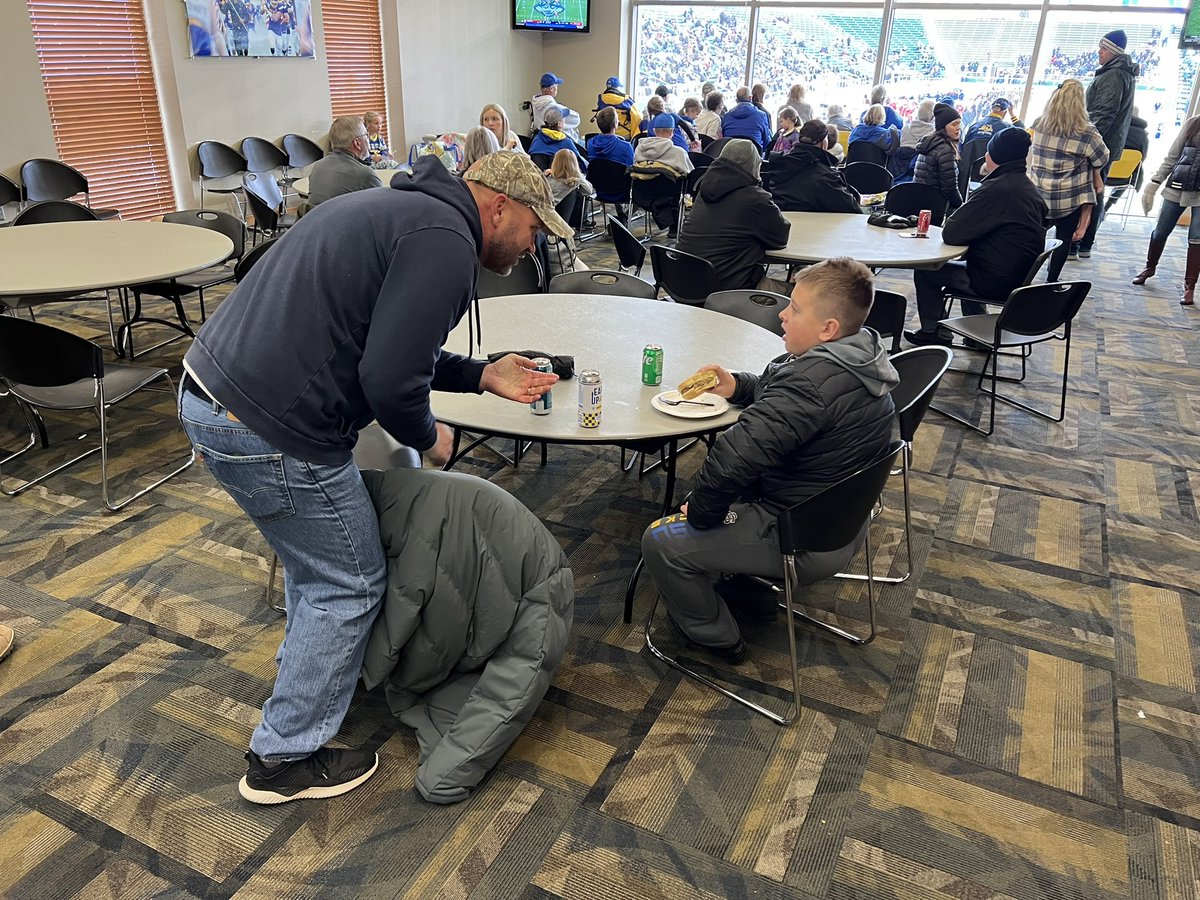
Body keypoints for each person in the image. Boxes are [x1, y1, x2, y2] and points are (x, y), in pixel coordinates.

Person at [179, 150, 570, 804]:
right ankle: (282, 759)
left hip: (217, 391)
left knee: (319, 564)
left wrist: (479, 373)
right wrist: (427, 436)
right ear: (498, 207)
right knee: (351, 580)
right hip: (268, 419)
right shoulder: (445, 242)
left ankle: (310, 685)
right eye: (534, 228)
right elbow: (389, 379)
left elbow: (385, 343)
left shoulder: (409, 213)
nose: (534, 246)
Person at [640, 258, 899, 661]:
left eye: (795, 309)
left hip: (800, 536)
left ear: (827, 328)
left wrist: (700, 517)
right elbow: (784, 394)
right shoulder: (857, 359)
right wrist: (738, 385)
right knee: (716, 497)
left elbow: (731, 458)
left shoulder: (809, 385)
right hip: (841, 521)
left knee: (660, 540)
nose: (783, 314)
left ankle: (717, 638)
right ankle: (745, 585)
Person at [905, 128, 1048, 346]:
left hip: (994, 281)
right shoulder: (1027, 187)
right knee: (971, 263)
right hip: (1018, 276)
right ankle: (976, 338)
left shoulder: (997, 190)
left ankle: (935, 332)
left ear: (994, 156)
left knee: (927, 272)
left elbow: (952, 233)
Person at [676, 139, 790, 293]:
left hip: (683, 284)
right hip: (727, 290)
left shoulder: (704, 190)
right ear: (755, 166)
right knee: (797, 297)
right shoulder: (755, 199)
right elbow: (780, 238)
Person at [1027, 79, 1108, 282]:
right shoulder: (1087, 132)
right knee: (1063, 239)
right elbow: (1102, 157)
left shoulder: (1039, 124)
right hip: (1068, 198)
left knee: (1034, 238)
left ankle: (1024, 277)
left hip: (1038, 194)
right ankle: (1051, 280)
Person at [1078, 30, 1139, 258]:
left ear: (1113, 51)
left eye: (1102, 49)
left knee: (1090, 193)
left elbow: (1103, 114)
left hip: (1099, 145)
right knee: (1095, 191)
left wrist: (1086, 143)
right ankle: (1083, 243)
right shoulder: (1120, 72)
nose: (1098, 52)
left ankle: (1080, 242)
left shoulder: (1114, 75)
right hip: (1106, 144)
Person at [1134, 115, 1200, 303]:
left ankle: (1189, 287)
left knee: (1196, 238)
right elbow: (1173, 155)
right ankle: (1149, 268)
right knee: (1160, 231)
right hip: (1177, 186)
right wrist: (1155, 182)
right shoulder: (1194, 123)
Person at [767, 120, 860, 215]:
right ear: (824, 143)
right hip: (817, 228)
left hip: (781, 225)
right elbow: (852, 209)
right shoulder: (827, 177)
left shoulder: (778, 165)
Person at [631, 112, 694, 236]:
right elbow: (690, 173)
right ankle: (674, 227)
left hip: (643, 195)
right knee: (680, 183)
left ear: (654, 130)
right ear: (672, 132)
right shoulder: (678, 153)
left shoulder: (639, 148)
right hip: (668, 196)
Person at [307, 115, 383, 207]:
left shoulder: (318, 166)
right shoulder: (365, 174)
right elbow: (382, 211)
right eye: (366, 135)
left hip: (316, 220)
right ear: (357, 143)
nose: (368, 139)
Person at [543, 148, 594, 277]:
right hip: (563, 229)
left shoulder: (547, 180)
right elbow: (589, 190)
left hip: (544, 225)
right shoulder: (574, 183)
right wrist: (578, 175)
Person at [914, 103, 964, 213]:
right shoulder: (945, 150)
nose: (958, 128)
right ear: (943, 127)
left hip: (920, 202)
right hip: (936, 206)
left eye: (959, 123)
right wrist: (962, 205)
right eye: (954, 124)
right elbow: (949, 188)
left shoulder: (929, 143)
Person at [588, 107, 634, 223]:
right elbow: (631, 168)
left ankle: (620, 216)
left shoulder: (590, 144)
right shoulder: (626, 147)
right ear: (615, 124)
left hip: (598, 190)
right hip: (622, 191)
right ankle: (623, 218)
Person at [1103, 106, 1149, 213]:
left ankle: (1095, 206)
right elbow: (1143, 157)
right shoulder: (1142, 134)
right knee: (1133, 168)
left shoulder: (1112, 127)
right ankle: (1108, 204)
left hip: (1103, 174)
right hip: (1125, 178)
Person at [530, 107, 587, 171]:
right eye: (564, 121)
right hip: (561, 178)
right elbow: (581, 166)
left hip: (539, 179)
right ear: (559, 124)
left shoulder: (536, 140)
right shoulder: (566, 143)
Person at [531, 72, 582, 142]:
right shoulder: (554, 108)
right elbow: (576, 120)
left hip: (542, 138)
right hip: (557, 141)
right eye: (556, 86)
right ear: (551, 89)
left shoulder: (535, 102)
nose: (557, 88)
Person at [722, 87, 772, 153]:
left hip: (729, 157)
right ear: (750, 98)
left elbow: (722, 139)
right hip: (753, 158)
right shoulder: (761, 116)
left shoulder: (726, 117)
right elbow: (767, 143)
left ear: (736, 100)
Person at [594, 76, 641, 140]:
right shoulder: (626, 100)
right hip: (624, 135)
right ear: (617, 87)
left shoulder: (601, 99)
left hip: (607, 134)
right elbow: (637, 117)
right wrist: (634, 135)